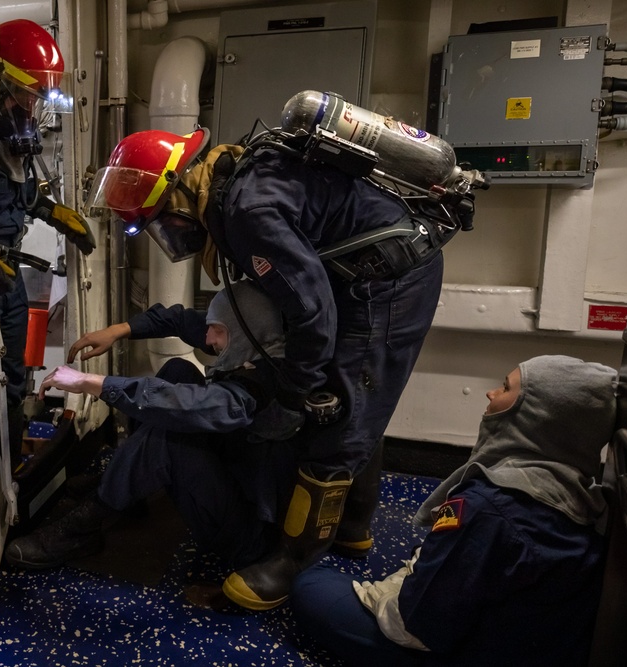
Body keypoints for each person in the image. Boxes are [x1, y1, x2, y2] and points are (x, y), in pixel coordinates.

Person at [85, 95, 483, 609]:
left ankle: (290, 562)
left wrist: (293, 394)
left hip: (390, 281)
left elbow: (312, 313)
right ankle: (354, 526)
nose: (169, 231)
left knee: (339, 408)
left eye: (162, 218)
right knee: (355, 396)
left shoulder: (247, 210)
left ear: (179, 188)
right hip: (370, 266)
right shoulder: (233, 176)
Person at [290, 355, 615, 666]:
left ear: (535, 417)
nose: (491, 392)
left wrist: (386, 598)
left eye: (505, 388)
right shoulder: (587, 496)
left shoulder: (490, 505)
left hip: (474, 653)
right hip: (536, 645)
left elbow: (414, 627)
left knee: (311, 585)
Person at [4, 279, 307, 572]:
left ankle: (82, 530)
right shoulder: (257, 338)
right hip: (232, 470)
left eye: (217, 331)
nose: (208, 339)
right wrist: (118, 330)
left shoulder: (265, 380)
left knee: (167, 437)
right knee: (179, 370)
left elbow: (190, 405)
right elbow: (178, 319)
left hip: (247, 534)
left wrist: (92, 382)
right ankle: (126, 488)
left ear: (245, 334)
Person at [0, 19, 96, 467]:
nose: (34, 107)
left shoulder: (12, 142)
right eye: (29, 94)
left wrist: (56, 212)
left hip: (8, 277)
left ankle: (12, 466)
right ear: (0, 87)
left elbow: (24, 194)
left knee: (14, 377)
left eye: (39, 95)